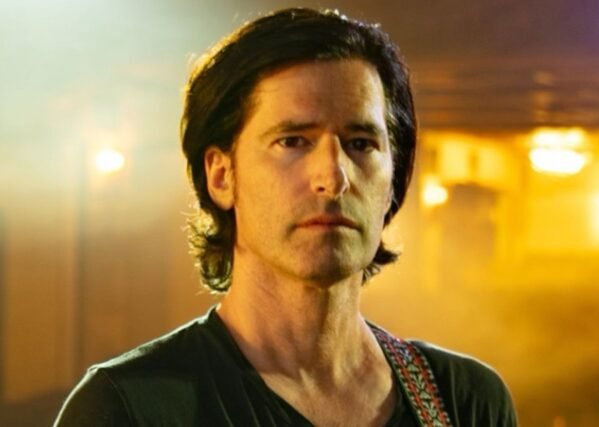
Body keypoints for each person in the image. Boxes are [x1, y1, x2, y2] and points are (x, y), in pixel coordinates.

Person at [55, 8, 517, 426]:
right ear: (221, 175)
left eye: (361, 144)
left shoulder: (462, 401)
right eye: (293, 141)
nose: (332, 177)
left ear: (393, 181)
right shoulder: (131, 407)